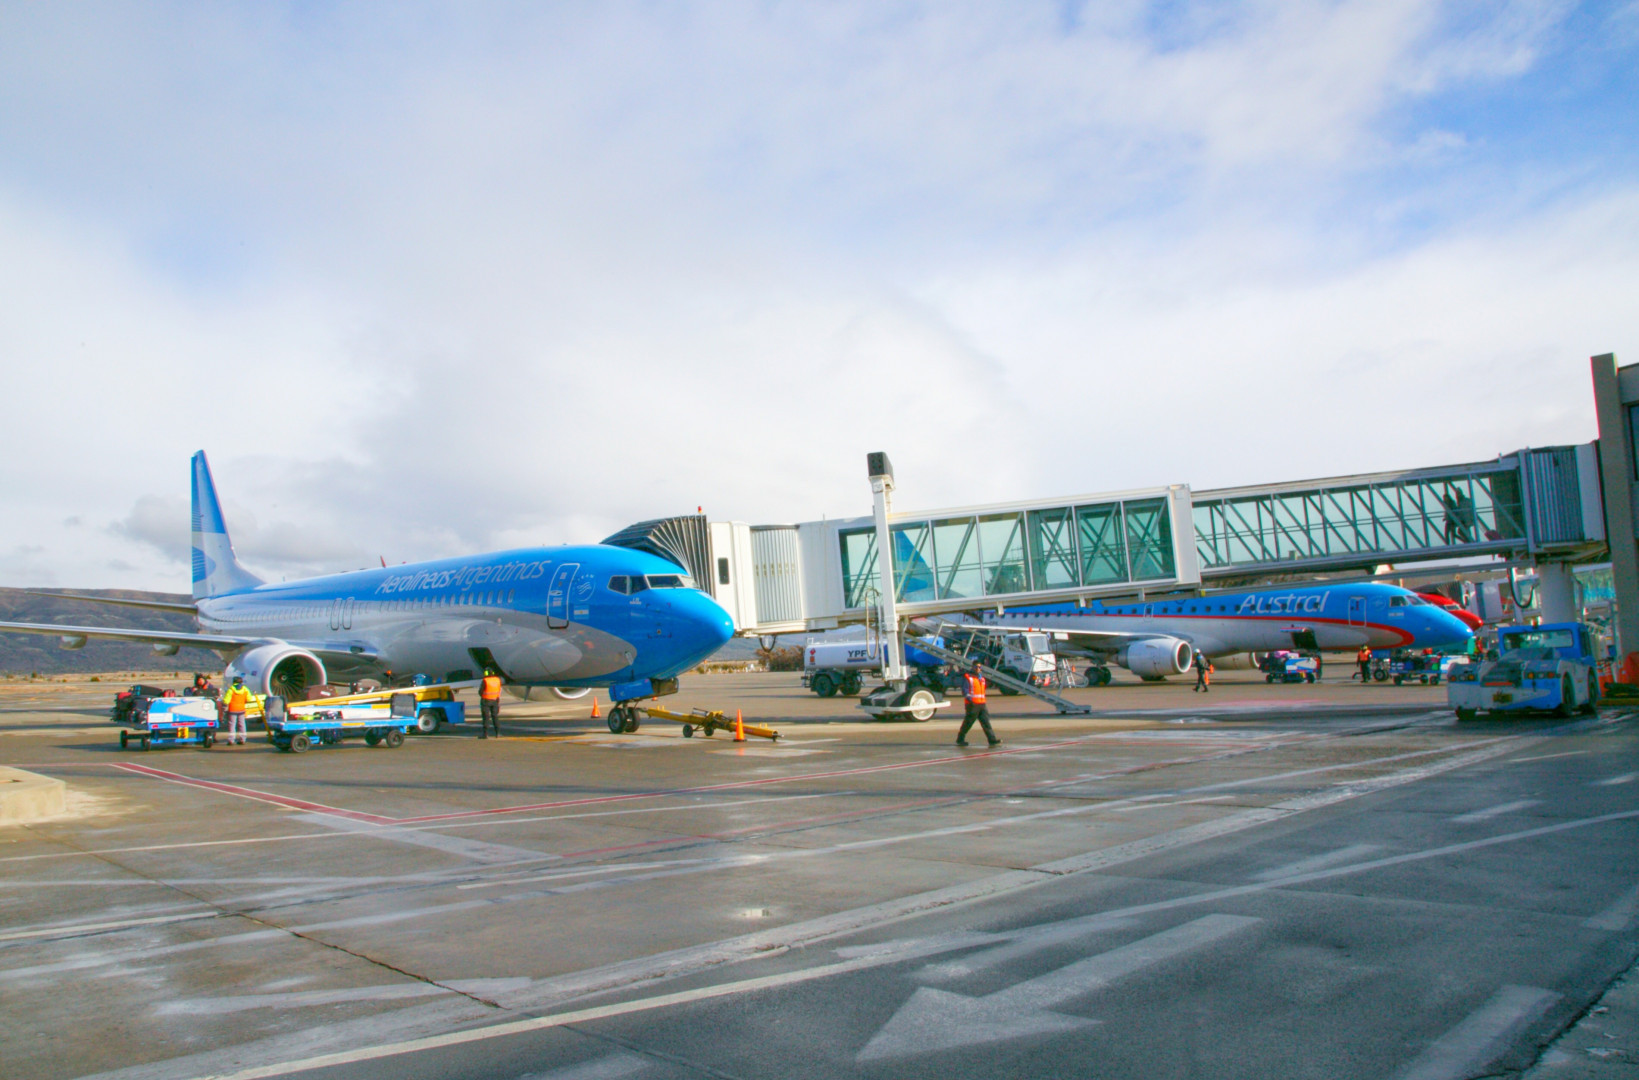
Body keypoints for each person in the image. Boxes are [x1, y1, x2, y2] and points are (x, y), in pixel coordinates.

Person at [957, 665, 999, 747]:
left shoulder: (981, 678)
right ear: (972, 667)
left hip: (982, 704)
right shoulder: (969, 678)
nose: (978, 669)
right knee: (968, 723)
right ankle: (960, 739)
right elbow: (965, 690)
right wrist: (969, 698)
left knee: (986, 722)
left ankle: (992, 739)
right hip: (972, 704)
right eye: (976, 667)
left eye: (980, 667)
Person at [222, 675, 252, 746]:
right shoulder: (245, 689)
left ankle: (231, 740)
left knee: (232, 725)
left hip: (233, 710)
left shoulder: (231, 690)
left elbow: (226, 701)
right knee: (242, 724)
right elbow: (249, 699)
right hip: (241, 709)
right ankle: (243, 739)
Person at [479, 669, 503, 738]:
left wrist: (483, 696)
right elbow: (499, 690)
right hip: (495, 700)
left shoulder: (485, 680)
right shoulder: (497, 680)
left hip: (486, 701)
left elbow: (480, 691)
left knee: (486, 717)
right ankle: (497, 733)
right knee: (495, 716)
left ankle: (485, 734)